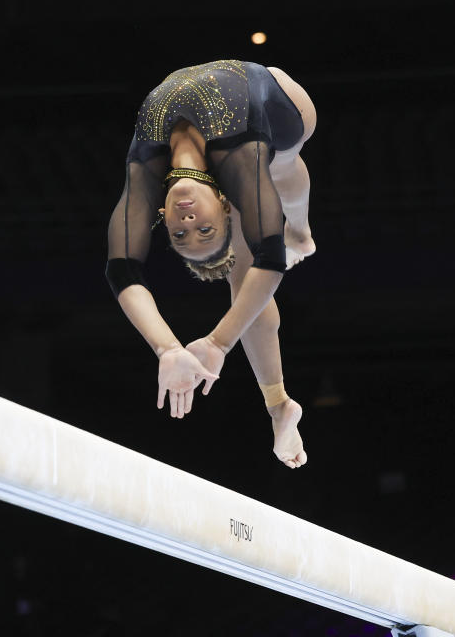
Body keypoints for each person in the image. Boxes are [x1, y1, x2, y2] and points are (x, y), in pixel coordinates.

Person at [105, 60, 317, 468]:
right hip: (282, 106)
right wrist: (217, 343)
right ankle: (279, 405)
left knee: (279, 171)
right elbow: (270, 261)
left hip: (259, 115)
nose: (188, 223)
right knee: (281, 162)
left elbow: (121, 268)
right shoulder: (239, 157)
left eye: (181, 235)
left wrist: (167, 348)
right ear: (223, 204)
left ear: (162, 219)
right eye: (205, 230)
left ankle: (302, 233)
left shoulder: (147, 168)